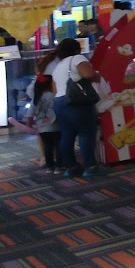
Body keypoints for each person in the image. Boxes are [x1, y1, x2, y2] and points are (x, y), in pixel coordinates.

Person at [50, 38, 102, 178]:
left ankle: (70, 167)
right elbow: (88, 74)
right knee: (86, 133)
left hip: (60, 103)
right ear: (76, 49)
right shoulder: (77, 58)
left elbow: (54, 90)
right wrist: (97, 75)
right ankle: (90, 167)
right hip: (76, 102)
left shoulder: (58, 66)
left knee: (67, 135)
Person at [29, 74, 60, 172]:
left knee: (47, 147)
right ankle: (59, 166)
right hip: (55, 125)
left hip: (42, 127)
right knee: (58, 146)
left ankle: (50, 166)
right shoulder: (54, 96)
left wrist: (29, 126)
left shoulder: (36, 99)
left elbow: (29, 115)